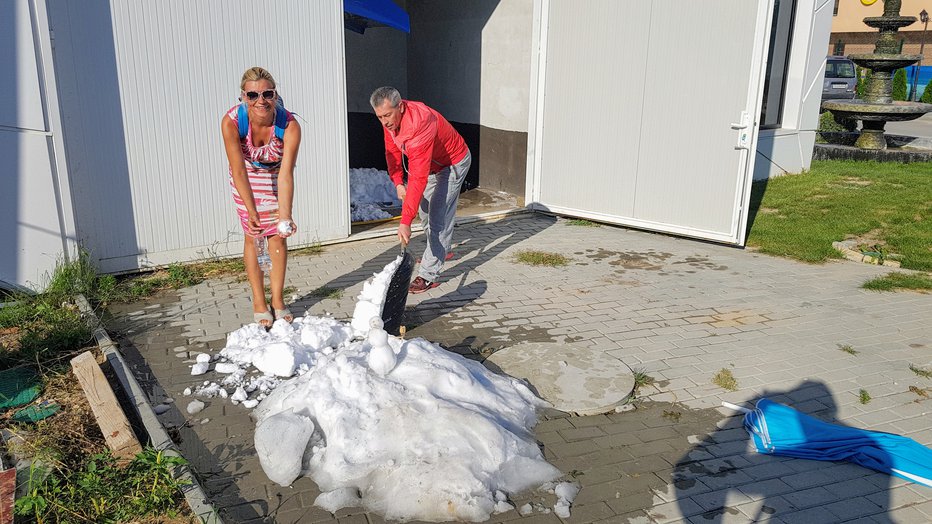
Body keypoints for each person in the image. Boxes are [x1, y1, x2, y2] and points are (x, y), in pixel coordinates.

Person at [370, 86, 471, 294]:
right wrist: (398, 182)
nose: (384, 121)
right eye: (379, 117)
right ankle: (439, 250)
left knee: (437, 217)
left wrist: (405, 221)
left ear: (401, 106)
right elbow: (391, 152)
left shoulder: (420, 123)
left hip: (452, 164)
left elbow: (417, 178)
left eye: (387, 115)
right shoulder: (389, 120)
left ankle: (428, 275)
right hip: (432, 166)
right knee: (425, 214)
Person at [221, 67, 301, 327]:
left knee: (277, 234)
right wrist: (251, 210)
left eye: (267, 93)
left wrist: (286, 215)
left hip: (276, 173)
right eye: (253, 95)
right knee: (253, 234)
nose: (261, 101)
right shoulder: (231, 122)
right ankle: (259, 301)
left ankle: (277, 300)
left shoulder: (289, 125)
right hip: (246, 177)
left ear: (275, 95)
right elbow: (238, 169)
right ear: (243, 96)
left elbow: (286, 173)